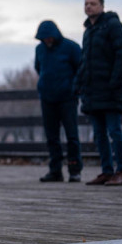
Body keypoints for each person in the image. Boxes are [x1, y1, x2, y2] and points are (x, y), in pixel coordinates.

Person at [75, 0, 122, 186]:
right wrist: (78, 84)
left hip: (109, 89)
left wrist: (115, 82)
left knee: (114, 131)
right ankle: (107, 171)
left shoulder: (113, 25)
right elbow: (85, 61)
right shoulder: (88, 31)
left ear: (102, 6)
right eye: (86, 4)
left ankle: (121, 171)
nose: (89, 7)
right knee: (99, 134)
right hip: (92, 91)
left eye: (93, 3)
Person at [34, 21, 84, 182]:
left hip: (67, 98)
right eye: (44, 38)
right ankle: (55, 170)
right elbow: (38, 68)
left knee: (72, 136)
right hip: (47, 98)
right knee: (51, 137)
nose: (47, 40)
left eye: (49, 37)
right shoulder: (39, 49)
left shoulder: (71, 47)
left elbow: (81, 68)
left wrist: (74, 88)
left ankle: (74, 169)